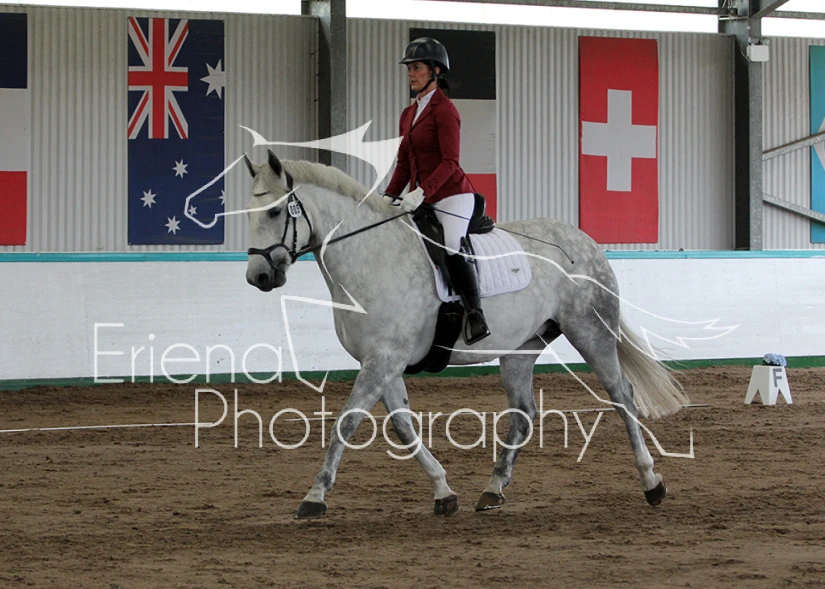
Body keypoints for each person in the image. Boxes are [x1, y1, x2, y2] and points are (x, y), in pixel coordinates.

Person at [384, 37, 490, 345]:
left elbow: (450, 163)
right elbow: (403, 164)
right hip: (421, 198)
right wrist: (389, 196)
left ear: (435, 71)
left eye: (417, 68)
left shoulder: (445, 110)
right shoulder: (408, 114)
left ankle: (475, 313)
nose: (411, 74)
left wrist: (421, 192)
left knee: (452, 245)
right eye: (409, 69)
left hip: (452, 195)